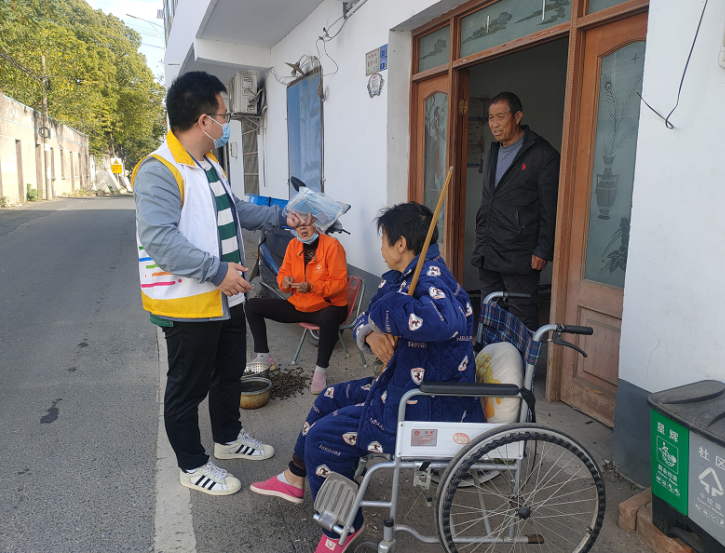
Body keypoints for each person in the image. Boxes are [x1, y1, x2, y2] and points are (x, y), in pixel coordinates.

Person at [249, 202, 481, 553]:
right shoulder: (405, 276)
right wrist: (371, 332)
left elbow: (438, 321)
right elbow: (367, 316)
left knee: (323, 437)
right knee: (328, 398)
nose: (381, 248)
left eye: (384, 240)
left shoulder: (433, 280)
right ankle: (295, 476)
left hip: (423, 407)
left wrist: (383, 313)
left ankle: (342, 528)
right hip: (402, 386)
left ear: (401, 244)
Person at [132, 71, 311, 496]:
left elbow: (236, 210)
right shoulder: (159, 170)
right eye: (224, 115)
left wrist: (282, 216)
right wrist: (216, 272)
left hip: (227, 296)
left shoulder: (209, 163)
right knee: (188, 386)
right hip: (189, 302)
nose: (227, 122)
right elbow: (160, 241)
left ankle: (228, 439)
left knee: (228, 373)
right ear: (203, 120)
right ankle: (192, 465)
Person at [472, 91, 560, 329]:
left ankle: (521, 355)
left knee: (521, 315)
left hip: (520, 252)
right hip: (489, 247)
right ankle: (491, 353)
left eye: (500, 117)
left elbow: (550, 207)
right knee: (490, 312)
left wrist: (543, 249)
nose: (494, 124)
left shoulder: (543, 155)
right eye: (491, 118)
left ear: (517, 116)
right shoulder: (493, 152)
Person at [245, 223, 348, 394]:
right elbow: (283, 274)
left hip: (327, 306)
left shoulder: (332, 245)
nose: (303, 228)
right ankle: (264, 357)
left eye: (307, 223)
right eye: (298, 224)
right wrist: (285, 282)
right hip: (299, 304)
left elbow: (340, 284)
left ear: (316, 224)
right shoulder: (293, 245)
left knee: (329, 317)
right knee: (252, 305)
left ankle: (320, 371)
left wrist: (312, 287)